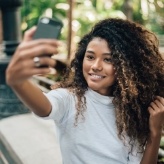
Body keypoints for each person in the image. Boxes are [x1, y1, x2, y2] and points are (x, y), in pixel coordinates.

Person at [6, 18, 164, 164]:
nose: (96, 66)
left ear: (127, 67)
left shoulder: (132, 111)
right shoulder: (70, 99)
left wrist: (154, 133)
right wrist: (18, 82)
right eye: (90, 57)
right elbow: (44, 107)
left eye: (108, 59)